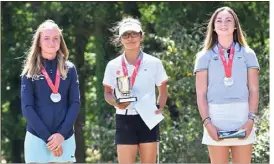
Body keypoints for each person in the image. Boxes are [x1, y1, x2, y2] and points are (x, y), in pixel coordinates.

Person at [194, 6, 260, 164]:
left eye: (228, 20)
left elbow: (254, 89)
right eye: (219, 20)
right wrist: (207, 123)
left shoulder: (248, 54)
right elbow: (201, 94)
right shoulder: (203, 56)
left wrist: (251, 120)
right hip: (215, 117)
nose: (224, 23)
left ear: (235, 25)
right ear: (214, 27)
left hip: (243, 116)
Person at [103, 17, 168, 164]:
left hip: (148, 117)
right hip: (124, 118)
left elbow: (163, 90)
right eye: (126, 35)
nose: (130, 38)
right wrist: (116, 103)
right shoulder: (113, 65)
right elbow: (107, 93)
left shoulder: (154, 63)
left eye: (134, 34)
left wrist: (160, 107)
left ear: (141, 36)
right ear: (120, 39)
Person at [20, 20, 80, 163]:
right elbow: (27, 108)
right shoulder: (29, 71)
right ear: (39, 42)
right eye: (46, 38)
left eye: (55, 38)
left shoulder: (70, 69)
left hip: (65, 137)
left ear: (60, 41)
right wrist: (49, 138)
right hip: (37, 137)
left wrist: (61, 135)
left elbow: (75, 104)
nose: (51, 42)